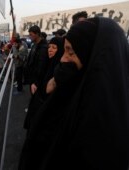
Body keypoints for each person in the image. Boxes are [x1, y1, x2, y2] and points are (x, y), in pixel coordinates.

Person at [20, 17, 129, 170]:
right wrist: (50, 86)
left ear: (92, 57)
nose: (63, 59)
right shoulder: (70, 86)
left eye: (70, 51)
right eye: (64, 50)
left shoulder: (103, 125)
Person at [24, 36, 64, 129]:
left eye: (54, 47)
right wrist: (35, 83)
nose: (50, 49)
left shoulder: (60, 69)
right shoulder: (48, 63)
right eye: (49, 47)